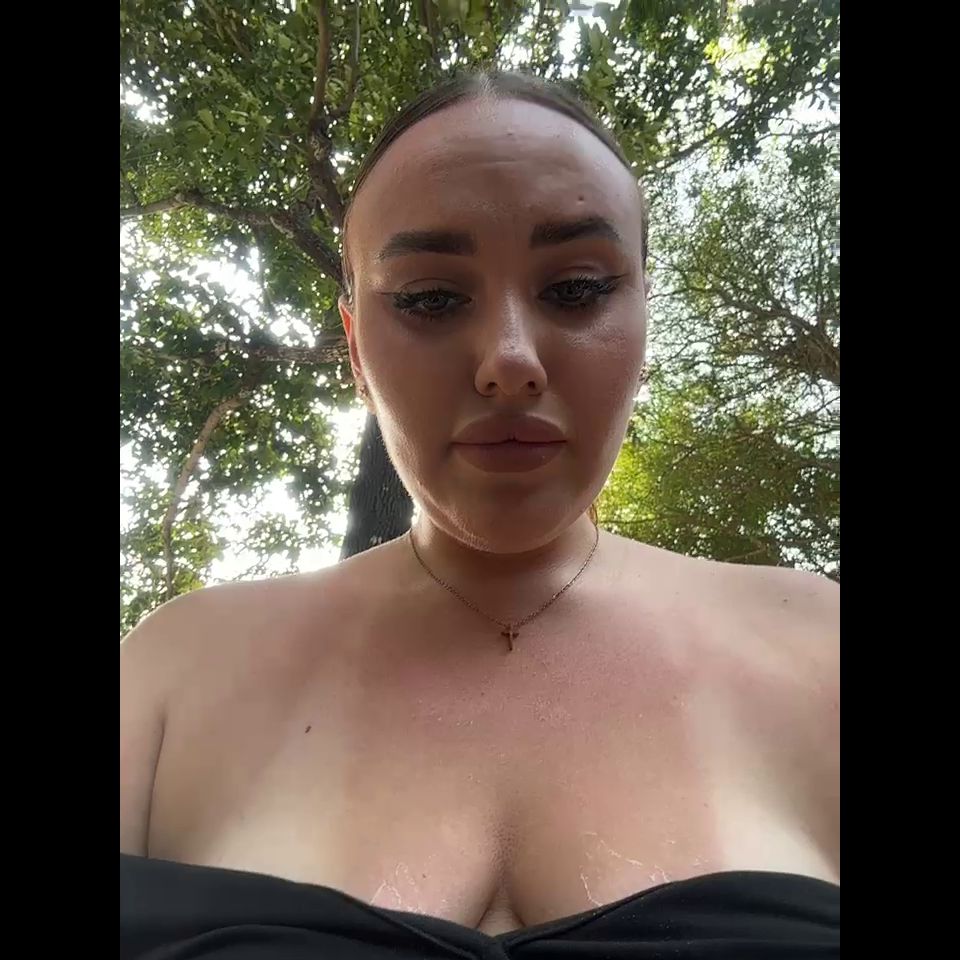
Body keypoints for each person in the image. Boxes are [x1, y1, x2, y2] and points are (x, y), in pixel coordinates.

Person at [120, 71, 839, 957]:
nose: (509, 360)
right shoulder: (171, 674)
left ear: (643, 318)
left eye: (576, 287)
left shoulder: (821, 649)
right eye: (431, 298)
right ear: (357, 352)